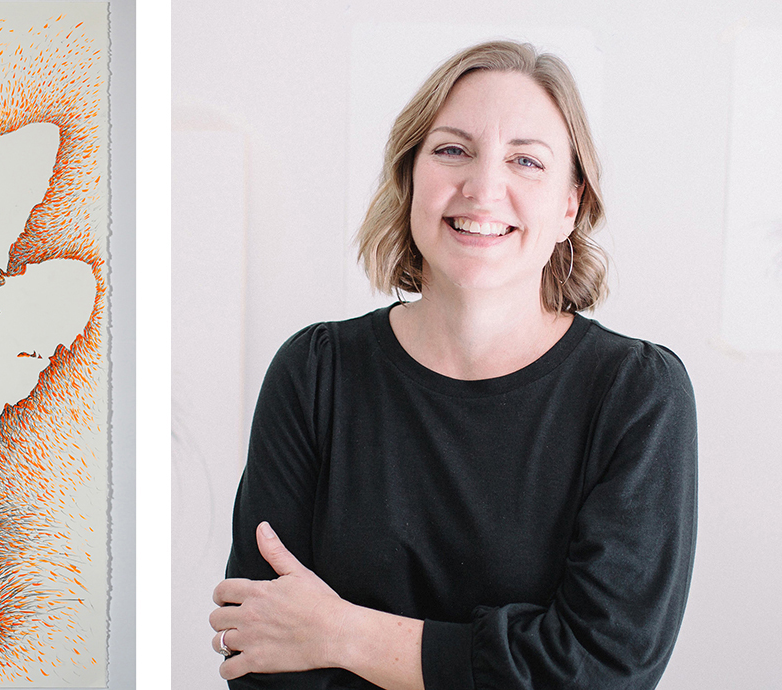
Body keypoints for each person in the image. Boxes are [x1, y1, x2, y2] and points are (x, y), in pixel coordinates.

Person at [208, 40, 697, 690]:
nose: (483, 186)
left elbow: (599, 669)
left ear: (569, 207)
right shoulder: (315, 373)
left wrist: (342, 633)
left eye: (526, 160)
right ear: (411, 177)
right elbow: (260, 649)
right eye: (452, 149)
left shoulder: (637, 395)